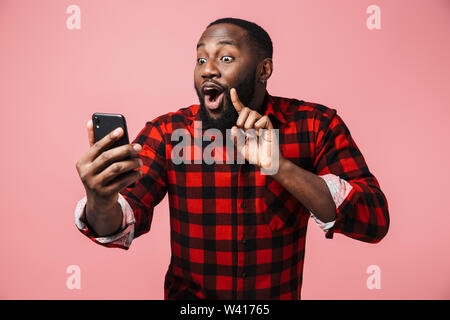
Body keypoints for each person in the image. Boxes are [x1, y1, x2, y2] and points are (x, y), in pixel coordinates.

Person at [74, 17, 389, 299]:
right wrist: (100, 201)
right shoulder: (167, 133)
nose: (208, 69)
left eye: (225, 58)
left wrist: (282, 168)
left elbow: (374, 221)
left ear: (263, 69)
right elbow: (118, 225)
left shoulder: (315, 125)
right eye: (200, 59)